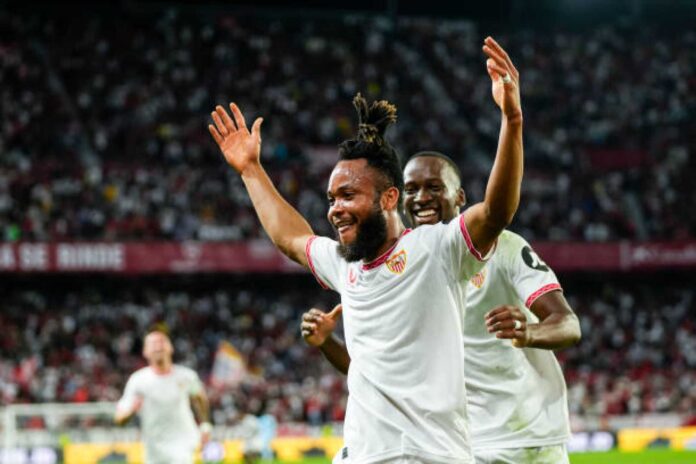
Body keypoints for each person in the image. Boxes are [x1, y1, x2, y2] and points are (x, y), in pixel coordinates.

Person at [209, 36, 523, 463]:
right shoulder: (345, 265)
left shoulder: (436, 249)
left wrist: (512, 121)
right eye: (331, 199)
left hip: (426, 456)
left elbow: (496, 212)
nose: (335, 209)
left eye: (348, 196)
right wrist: (250, 170)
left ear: (389, 199)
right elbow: (292, 239)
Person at [302, 152, 582, 464]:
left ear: (459, 196)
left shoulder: (506, 248)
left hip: (519, 437)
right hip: (451, 441)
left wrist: (529, 331)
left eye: (434, 187)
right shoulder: (406, 263)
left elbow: (568, 324)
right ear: (395, 199)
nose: (421, 198)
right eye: (411, 189)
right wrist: (327, 342)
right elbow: (372, 370)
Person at [114, 329, 212, 464]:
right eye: (153, 343)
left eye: (161, 341)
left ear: (170, 347)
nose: (158, 346)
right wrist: (131, 411)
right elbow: (119, 418)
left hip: (184, 442)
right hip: (154, 447)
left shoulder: (187, 376)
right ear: (145, 352)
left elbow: (200, 399)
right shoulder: (138, 380)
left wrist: (205, 426)